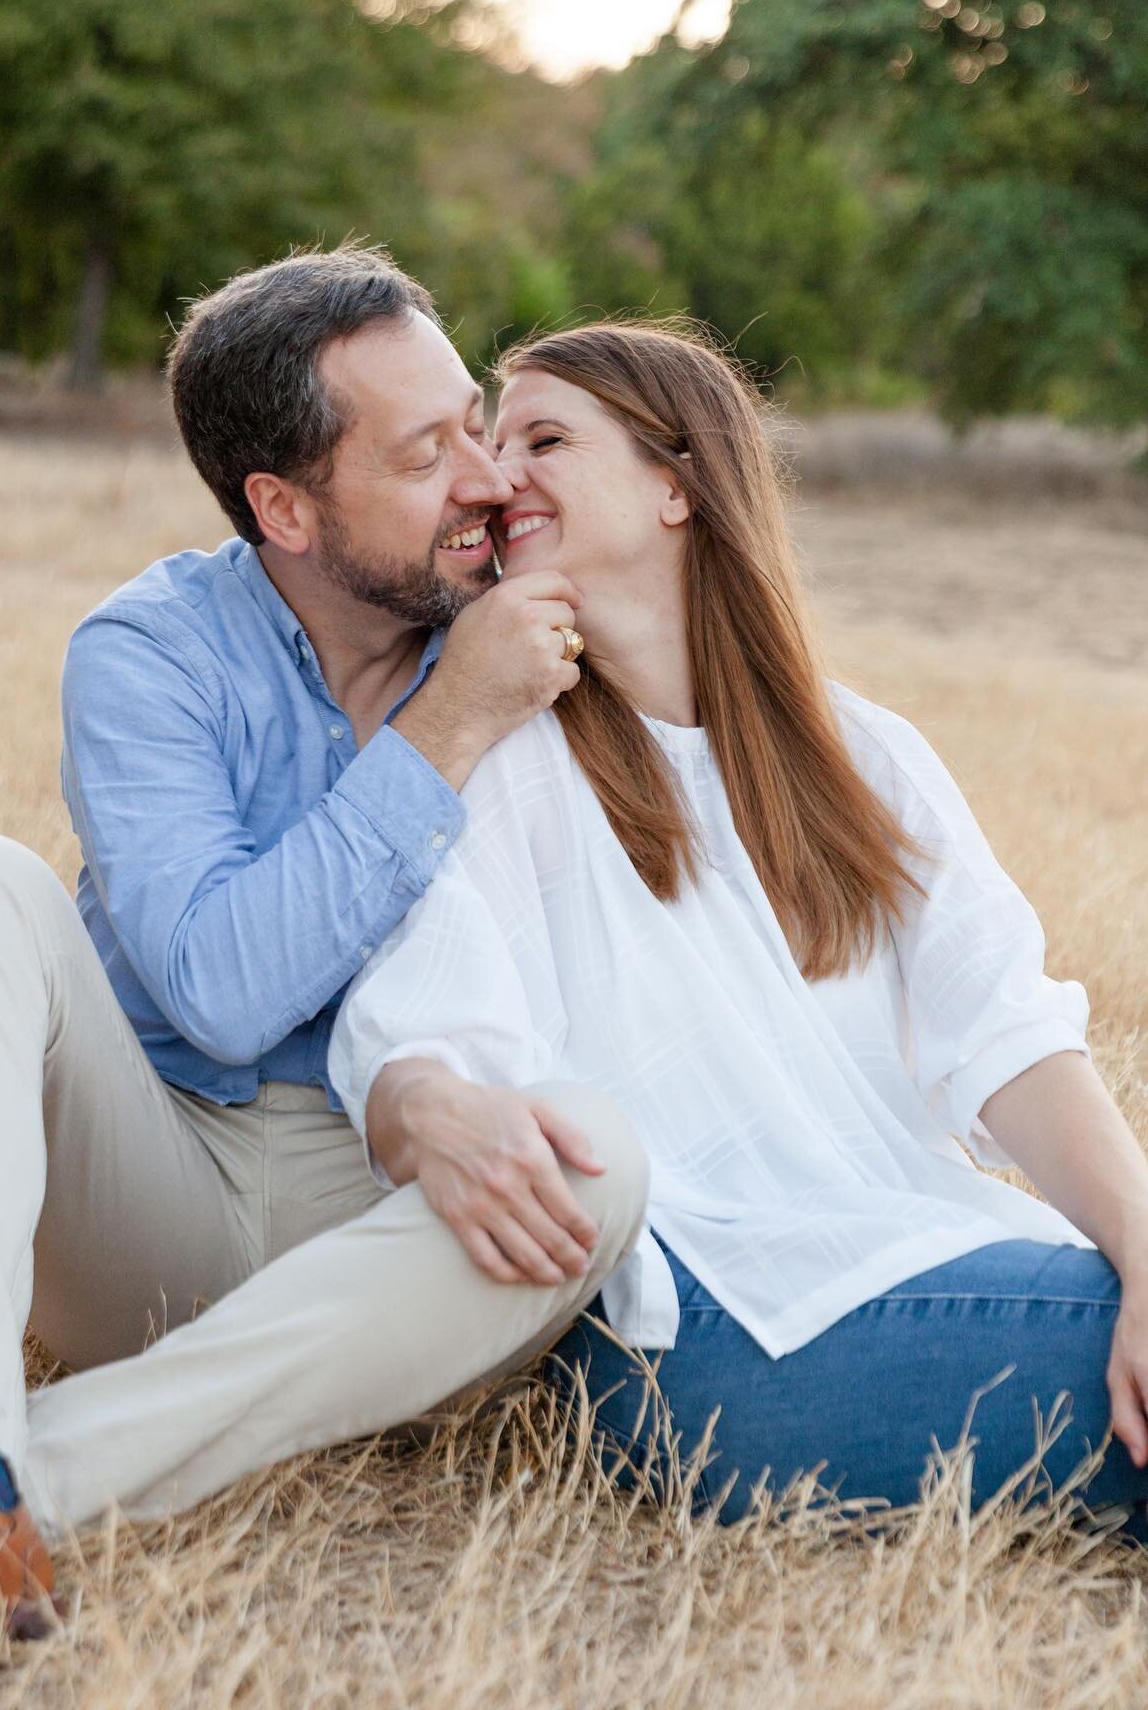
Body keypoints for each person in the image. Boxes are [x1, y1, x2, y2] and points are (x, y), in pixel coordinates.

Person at [0, 247, 652, 1670]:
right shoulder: (151, 653)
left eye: (476, 421)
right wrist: (450, 726)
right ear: (283, 507)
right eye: (424, 454)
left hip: (383, 1218)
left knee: (598, 1164)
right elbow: (217, 993)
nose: (484, 477)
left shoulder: (537, 629)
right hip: (145, 1182)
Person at [327, 318, 1148, 1542]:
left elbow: (1011, 1037)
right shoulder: (501, 752)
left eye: (544, 437)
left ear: (679, 482)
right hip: (691, 1324)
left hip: (896, 1252)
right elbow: (422, 1029)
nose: (500, 477)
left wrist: (1142, 1250)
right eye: (496, 448)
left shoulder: (860, 754)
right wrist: (427, 1101)